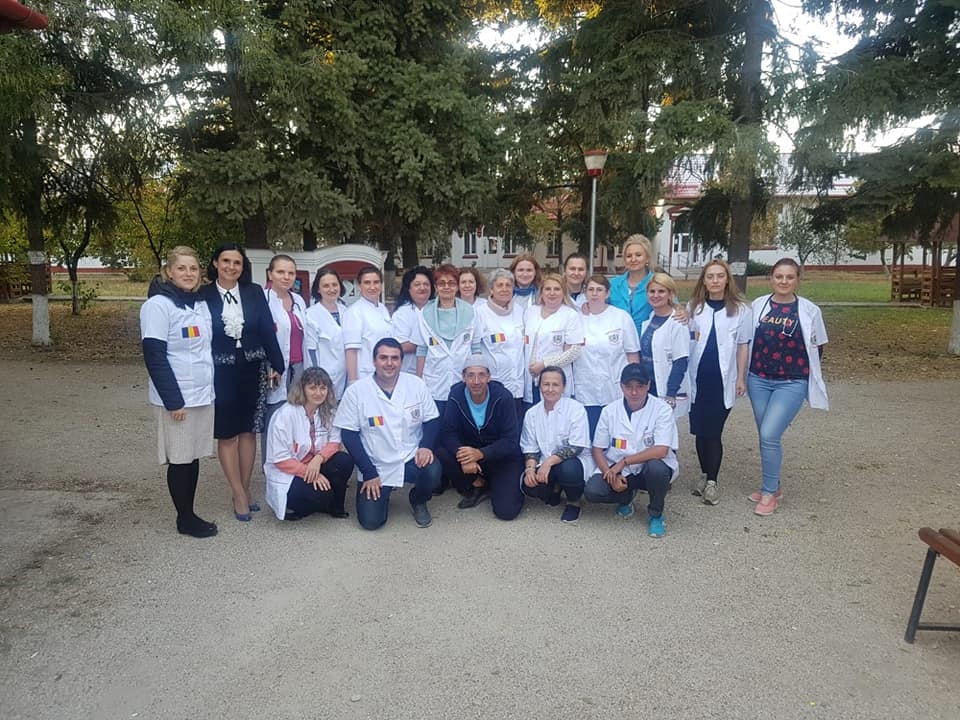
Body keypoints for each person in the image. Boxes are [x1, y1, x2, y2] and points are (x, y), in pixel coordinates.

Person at [200, 243, 284, 522]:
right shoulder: (203, 295)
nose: (231, 267)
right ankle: (237, 493)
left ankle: (245, 488)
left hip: (252, 366)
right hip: (219, 370)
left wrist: (277, 364)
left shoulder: (253, 292)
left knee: (249, 430)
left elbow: (266, 328)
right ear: (215, 263)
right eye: (226, 261)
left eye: (236, 262)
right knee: (227, 433)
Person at [140, 246, 217, 538]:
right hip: (178, 398)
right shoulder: (158, 306)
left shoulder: (198, 304)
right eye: (182, 268)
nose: (188, 273)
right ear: (169, 272)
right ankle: (184, 518)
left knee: (193, 455)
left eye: (193, 268)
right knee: (180, 458)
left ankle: (189, 512)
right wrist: (173, 401)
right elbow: (154, 356)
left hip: (202, 394)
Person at [747, 258, 829, 516]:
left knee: (769, 433)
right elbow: (745, 338)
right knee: (765, 435)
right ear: (771, 278)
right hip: (758, 379)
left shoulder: (810, 310)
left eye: (789, 277)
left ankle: (769, 493)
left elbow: (818, 346)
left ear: (797, 280)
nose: (784, 281)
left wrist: (800, 372)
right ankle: (774, 485)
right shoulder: (758, 305)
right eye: (779, 276)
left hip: (792, 381)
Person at [334, 338, 442, 530]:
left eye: (395, 358)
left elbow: (432, 419)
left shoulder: (416, 384)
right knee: (371, 522)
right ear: (374, 361)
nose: (389, 363)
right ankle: (382, 492)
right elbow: (349, 435)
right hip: (376, 465)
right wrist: (369, 473)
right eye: (383, 358)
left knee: (433, 471)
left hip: (410, 457)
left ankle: (418, 499)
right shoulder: (356, 392)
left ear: (401, 361)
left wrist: (425, 446)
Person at [585, 363, 679, 538]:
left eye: (640, 386)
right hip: (618, 468)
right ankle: (626, 497)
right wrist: (609, 474)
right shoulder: (609, 411)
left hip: (647, 467)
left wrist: (624, 462)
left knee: (657, 470)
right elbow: (597, 448)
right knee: (593, 491)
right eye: (629, 387)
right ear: (621, 386)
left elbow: (661, 450)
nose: (634, 392)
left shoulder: (662, 410)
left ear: (648, 385)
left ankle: (656, 514)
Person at [686, 259, 752, 505]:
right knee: (700, 432)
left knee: (713, 432)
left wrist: (741, 378)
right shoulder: (694, 307)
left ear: (727, 280)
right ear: (704, 280)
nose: (715, 280)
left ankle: (712, 481)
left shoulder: (741, 310)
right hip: (697, 379)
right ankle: (705, 474)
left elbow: (743, 345)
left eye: (719, 276)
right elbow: (687, 338)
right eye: (710, 276)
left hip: (722, 380)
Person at [437, 355, 524, 519]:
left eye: (481, 375)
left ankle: (497, 483)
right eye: (470, 375)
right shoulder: (456, 394)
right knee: (442, 451)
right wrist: (465, 456)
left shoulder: (503, 397)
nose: (476, 381)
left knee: (506, 512)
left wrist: (481, 454)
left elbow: (510, 440)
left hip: (500, 456)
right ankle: (477, 482)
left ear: (489, 377)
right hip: (471, 453)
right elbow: (448, 432)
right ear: (463, 377)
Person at [263, 366, 354, 522]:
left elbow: (334, 441)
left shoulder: (329, 411)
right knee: (321, 496)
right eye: (312, 388)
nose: (318, 393)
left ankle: (335, 506)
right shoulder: (285, 415)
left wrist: (318, 459)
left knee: (344, 461)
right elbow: (280, 460)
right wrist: (311, 473)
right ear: (302, 389)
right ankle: (300, 507)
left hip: (314, 463)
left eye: (323, 388)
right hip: (290, 472)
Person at [520, 367, 591, 524]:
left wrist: (548, 463)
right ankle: (555, 488)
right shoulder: (532, 413)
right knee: (529, 486)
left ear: (563, 387)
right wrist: (530, 469)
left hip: (573, 462)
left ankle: (573, 501)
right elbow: (530, 447)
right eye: (546, 384)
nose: (550, 389)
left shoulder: (575, 409)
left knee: (568, 469)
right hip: (546, 463)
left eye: (555, 385)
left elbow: (576, 447)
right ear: (539, 386)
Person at [573, 274, 640, 438]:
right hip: (585, 388)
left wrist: (634, 385)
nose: (595, 294)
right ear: (585, 293)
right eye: (591, 289)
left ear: (607, 293)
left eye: (599, 290)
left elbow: (632, 354)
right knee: (590, 434)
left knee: (616, 436)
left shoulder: (621, 317)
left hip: (614, 388)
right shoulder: (576, 318)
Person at [415, 263, 479, 420]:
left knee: (461, 425)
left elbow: (476, 348)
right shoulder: (425, 314)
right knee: (436, 424)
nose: (446, 287)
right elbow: (422, 350)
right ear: (436, 287)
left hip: (463, 380)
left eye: (451, 283)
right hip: (434, 382)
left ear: (457, 287)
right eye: (441, 283)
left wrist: (476, 377)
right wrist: (419, 382)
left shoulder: (470, 312)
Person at [262, 254, 307, 462]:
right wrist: (269, 367)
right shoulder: (263, 299)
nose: (286, 277)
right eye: (280, 272)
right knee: (274, 419)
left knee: (296, 418)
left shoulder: (299, 301)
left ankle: (294, 465)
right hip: (275, 369)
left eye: (291, 273)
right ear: (270, 274)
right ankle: (271, 466)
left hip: (298, 368)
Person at [523, 273, 584, 406]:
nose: (552, 293)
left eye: (557, 289)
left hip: (556, 380)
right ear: (541, 292)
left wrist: (544, 364)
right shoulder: (530, 312)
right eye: (548, 289)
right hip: (532, 379)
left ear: (563, 292)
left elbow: (574, 352)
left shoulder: (570, 315)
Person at [474, 268, 526, 420]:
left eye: (508, 285)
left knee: (516, 426)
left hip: (519, 385)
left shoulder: (520, 311)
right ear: (491, 289)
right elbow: (474, 348)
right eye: (500, 285)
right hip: (494, 385)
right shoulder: (479, 313)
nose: (504, 289)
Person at [639, 272, 690, 418]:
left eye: (661, 291)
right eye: (652, 291)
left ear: (670, 294)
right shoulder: (651, 318)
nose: (656, 295)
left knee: (665, 429)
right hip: (649, 387)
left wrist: (671, 393)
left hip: (666, 391)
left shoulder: (677, 322)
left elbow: (680, 361)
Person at [342, 265, 392, 384]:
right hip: (365, 375)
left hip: (385, 373)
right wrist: (353, 382)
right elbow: (351, 351)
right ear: (359, 286)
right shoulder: (354, 312)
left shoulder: (382, 309)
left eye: (376, 282)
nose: (372, 287)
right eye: (367, 283)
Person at [304, 267, 348, 399]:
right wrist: (316, 377)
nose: (332, 289)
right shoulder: (311, 314)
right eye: (326, 286)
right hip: (323, 376)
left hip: (345, 375)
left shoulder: (346, 311)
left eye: (335, 284)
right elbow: (310, 351)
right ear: (318, 289)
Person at [608, 234, 656, 337]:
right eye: (629, 256)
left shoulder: (658, 283)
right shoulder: (613, 285)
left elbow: (673, 308)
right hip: (618, 342)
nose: (633, 259)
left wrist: (681, 312)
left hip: (648, 341)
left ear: (647, 258)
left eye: (638, 255)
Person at [391, 266, 434, 374]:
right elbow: (403, 346)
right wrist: (433, 344)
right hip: (409, 370)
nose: (422, 288)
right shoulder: (402, 313)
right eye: (417, 284)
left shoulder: (437, 309)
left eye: (426, 284)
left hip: (435, 370)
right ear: (409, 289)